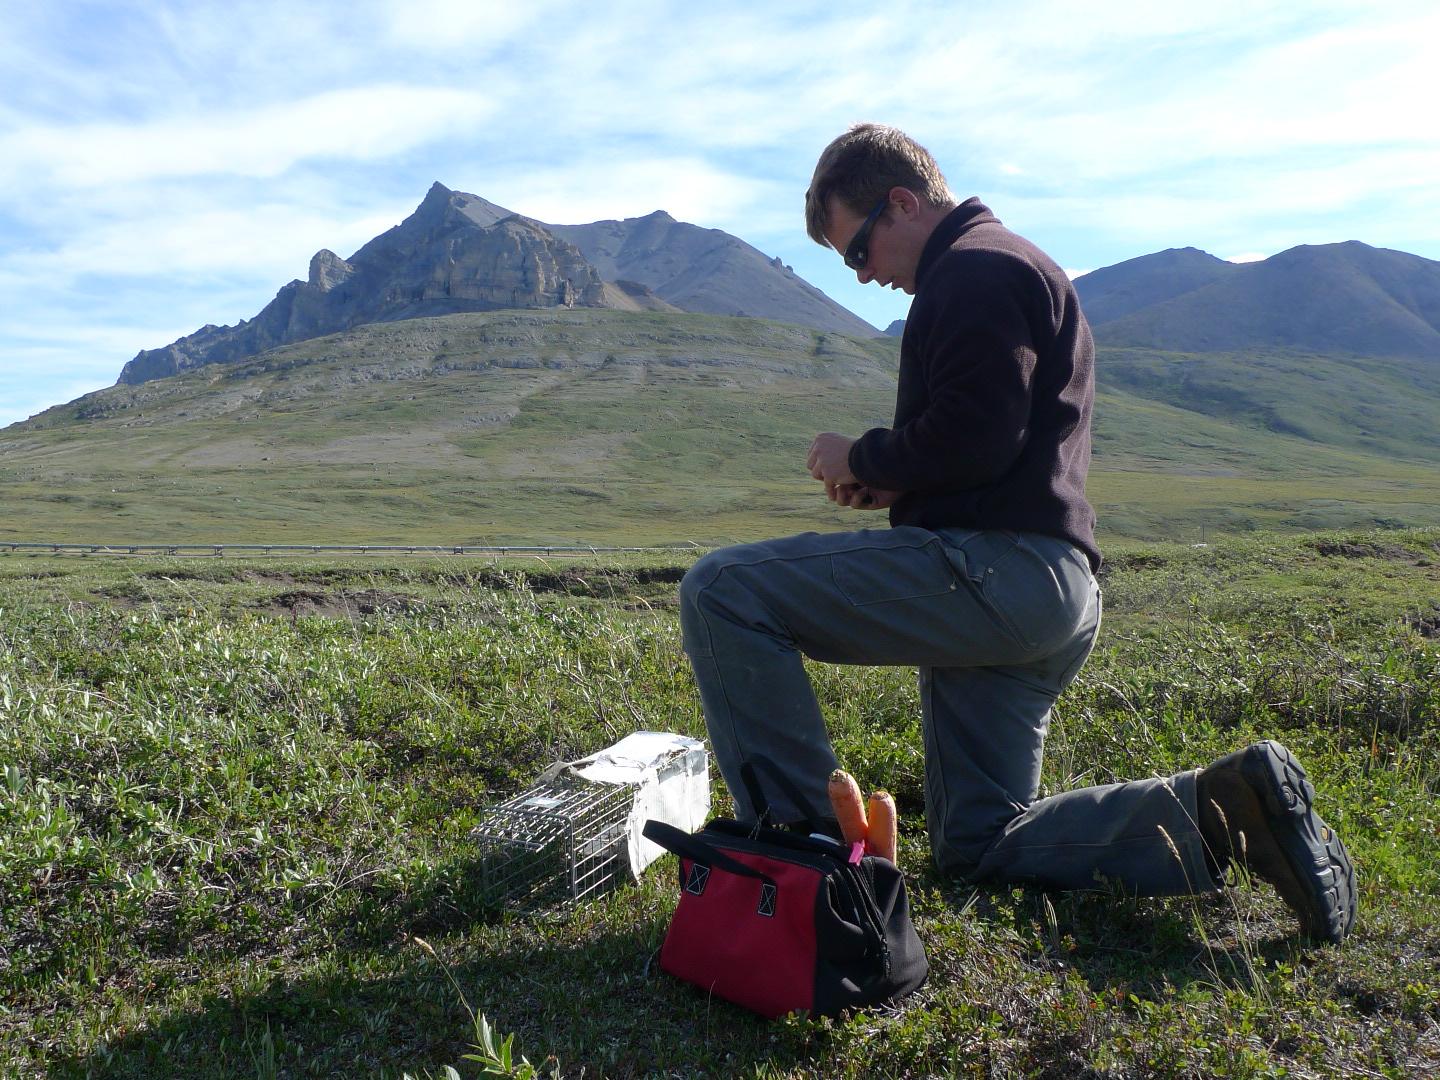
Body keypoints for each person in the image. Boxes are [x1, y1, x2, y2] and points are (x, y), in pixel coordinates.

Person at [677, 123, 1355, 943]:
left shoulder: (970, 271)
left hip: (997, 572)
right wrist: (891, 478)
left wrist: (858, 452)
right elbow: (994, 443)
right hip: (1044, 589)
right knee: (977, 843)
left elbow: (974, 436)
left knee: (724, 591)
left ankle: (803, 863)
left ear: (901, 203)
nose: (864, 277)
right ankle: (1228, 811)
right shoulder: (1011, 265)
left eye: (858, 251)